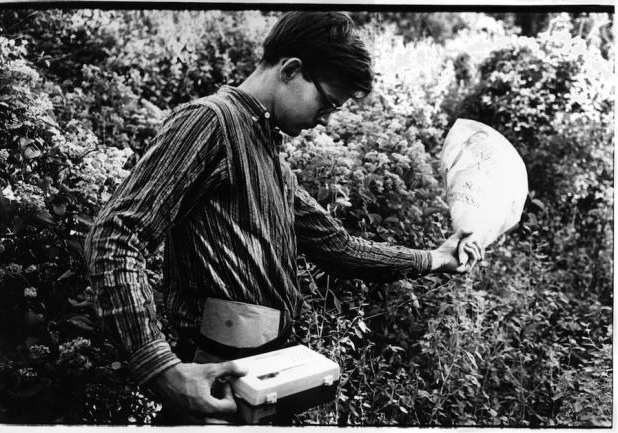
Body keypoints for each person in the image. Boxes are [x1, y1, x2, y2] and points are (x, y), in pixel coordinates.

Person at [84, 11, 484, 425]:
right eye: (327, 102)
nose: (326, 117)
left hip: (262, 383)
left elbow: (339, 248)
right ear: (292, 70)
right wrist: (161, 368)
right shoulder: (209, 123)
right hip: (214, 387)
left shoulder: (273, 161)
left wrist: (437, 258)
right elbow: (117, 236)